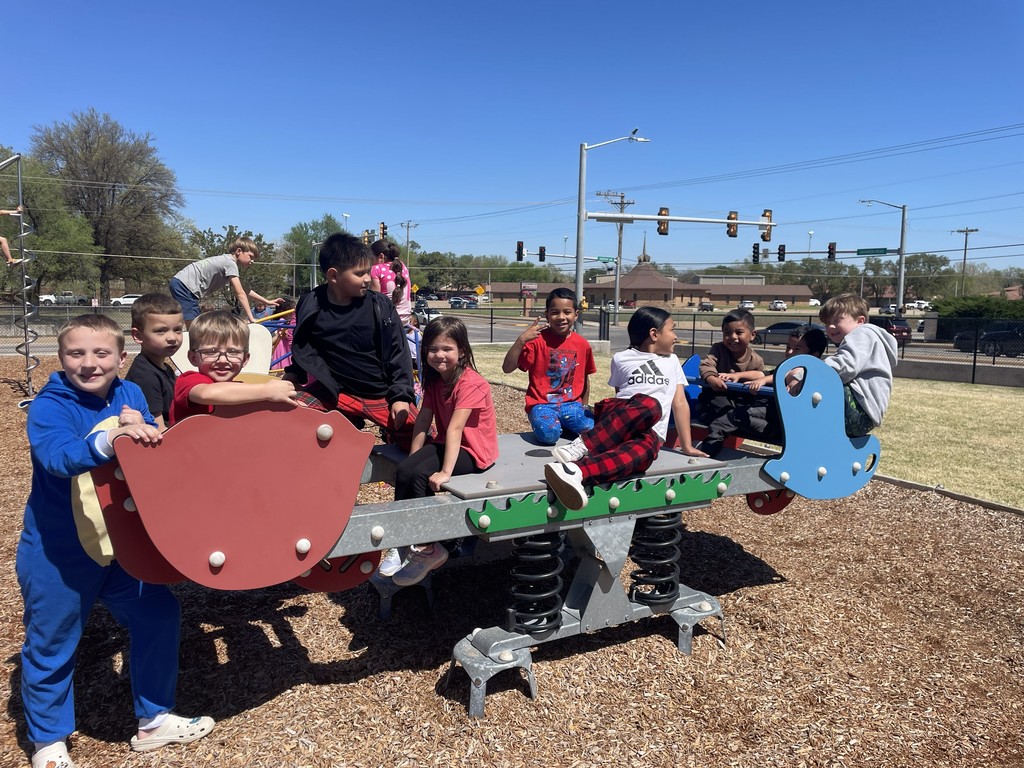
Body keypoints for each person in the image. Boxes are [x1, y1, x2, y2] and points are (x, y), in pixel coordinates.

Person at [17, 314, 214, 768]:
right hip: (59, 550)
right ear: (61, 358)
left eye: (101, 353)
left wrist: (144, 430)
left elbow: (149, 444)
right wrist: (113, 435)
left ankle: (154, 719)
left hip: (119, 541)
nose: (89, 363)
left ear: (121, 357)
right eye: (76, 354)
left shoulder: (130, 392)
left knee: (159, 612)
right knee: (53, 641)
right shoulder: (50, 404)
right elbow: (58, 457)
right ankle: (48, 740)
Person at [544, 307, 707, 512]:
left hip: (650, 433)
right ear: (654, 334)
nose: (676, 336)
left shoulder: (672, 361)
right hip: (622, 417)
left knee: (645, 454)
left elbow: (680, 403)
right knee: (650, 404)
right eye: (672, 330)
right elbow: (622, 395)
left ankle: (574, 471)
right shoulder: (621, 358)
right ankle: (581, 446)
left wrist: (687, 446)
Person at [384, 316, 499, 586]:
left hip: (474, 450)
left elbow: (457, 428)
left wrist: (445, 472)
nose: (439, 355)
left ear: (462, 352)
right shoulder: (436, 382)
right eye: (433, 349)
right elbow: (423, 420)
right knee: (405, 470)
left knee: (424, 476)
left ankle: (429, 547)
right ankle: (401, 541)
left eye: (447, 349)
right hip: (449, 443)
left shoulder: (471, 383)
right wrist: (413, 457)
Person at [282, 232, 418, 450]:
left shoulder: (379, 306)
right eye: (359, 273)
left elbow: (398, 353)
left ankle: (405, 471)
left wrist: (401, 395)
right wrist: (294, 375)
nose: (367, 278)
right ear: (334, 275)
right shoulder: (311, 303)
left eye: (368, 272)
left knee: (421, 437)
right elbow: (304, 345)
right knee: (291, 415)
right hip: (335, 390)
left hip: (379, 392)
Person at [700, 324, 829, 455]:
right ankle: (709, 445)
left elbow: (782, 379)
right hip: (769, 419)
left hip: (781, 425)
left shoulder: (807, 372)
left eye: (797, 349)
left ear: (814, 355)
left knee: (734, 416)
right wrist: (737, 376)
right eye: (788, 347)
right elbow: (763, 374)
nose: (790, 352)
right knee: (732, 414)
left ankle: (708, 452)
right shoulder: (786, 368)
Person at [502, 287, 596, 445]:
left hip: (571, 404)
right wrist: (521, 340)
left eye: (567, 312)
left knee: (593, 429)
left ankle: (564, 424)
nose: (561, 317)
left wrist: (584, 406)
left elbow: (584, 378)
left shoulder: (582, 344)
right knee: (549, 435)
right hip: (542, 404)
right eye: (555, 312)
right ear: (547, 314)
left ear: (576, 315)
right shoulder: (536, 341)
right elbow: (507, 368)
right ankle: (556, 425)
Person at [169, 310, 298, 425]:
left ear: (245, 359)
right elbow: (206, 393)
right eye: (211, 352)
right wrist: (267, 390)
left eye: (233, 352)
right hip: (187, 449)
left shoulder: (242, 391)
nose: (223, 360)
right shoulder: (189, 380)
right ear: (193, 358)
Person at [819, 293, 898, 436]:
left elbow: (845, 365)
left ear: (860, 321)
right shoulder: (866, 338)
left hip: (859, 411)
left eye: (837, 320)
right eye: (827, 323)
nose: (830, 326)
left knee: (815, 386)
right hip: (865, 415)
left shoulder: (862, 333)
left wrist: (806, 373)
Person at [168, 237, 282, 327]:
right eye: (250, 257)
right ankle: (190, 345)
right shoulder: (230, 263)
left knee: (194, 322)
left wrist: (266, 301)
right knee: (193, 325)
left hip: (183, 284)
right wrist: (251, 317)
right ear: (239, 251)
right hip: (185, 286)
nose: (252, 261)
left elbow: (244, 290)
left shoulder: (227, 262)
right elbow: (240, 294)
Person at [697, 308, 765, 441]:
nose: (733, 337)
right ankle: (711, 418)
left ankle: (735, 420)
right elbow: (706, 365)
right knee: (715, 401)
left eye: (739, 332)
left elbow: (762, 378)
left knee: (747, 408)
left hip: (740, 398)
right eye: (727, 333)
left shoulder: (756, 360)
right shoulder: (718, 349)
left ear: (752, 335)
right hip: (718, 394)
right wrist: (711, 379)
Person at [124, 293, 186, 431]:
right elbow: (157, 428)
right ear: (138, 336)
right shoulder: (145, 375)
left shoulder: (165, 368)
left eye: (177, 330)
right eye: (161, 331)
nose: (172, 338)